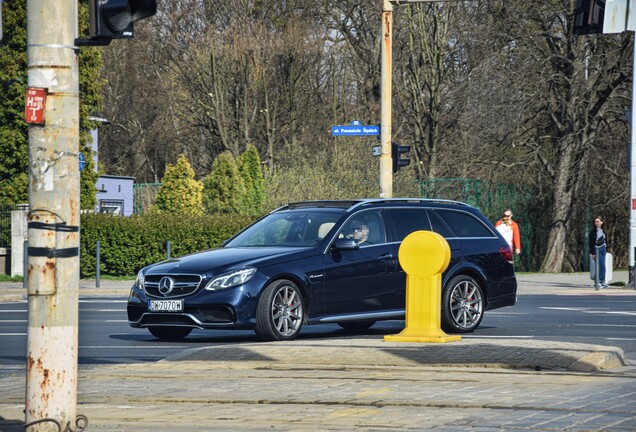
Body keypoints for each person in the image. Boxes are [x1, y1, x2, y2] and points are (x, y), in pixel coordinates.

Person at [588, 216, 608, 288]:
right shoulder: (593, 232)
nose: (597, 223)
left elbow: (606, 240)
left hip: (603, 249)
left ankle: (602, 281)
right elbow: (591, 243)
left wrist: (606, 249)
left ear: (602, 222)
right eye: (595, 221)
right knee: (599, 265)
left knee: (603, 265)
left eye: (598, 221)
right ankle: (598, 281)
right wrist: (592, 253)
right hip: (596, 249)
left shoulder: (603, 230)